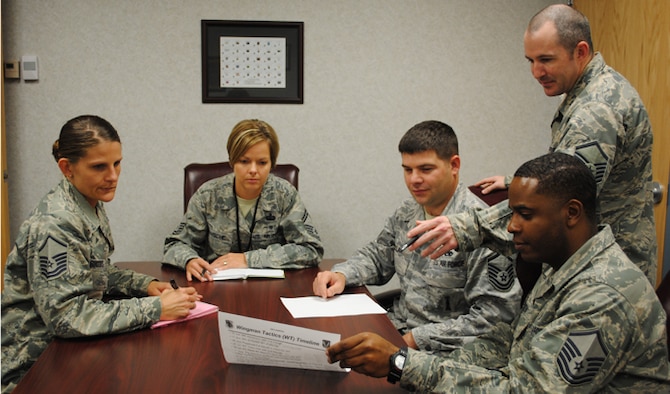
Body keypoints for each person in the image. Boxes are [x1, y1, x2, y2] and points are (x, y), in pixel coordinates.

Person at [326, 153, 670, 392]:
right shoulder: (564, 265)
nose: (512, 227)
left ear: (572, 213)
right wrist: (419, 365)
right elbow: (511, 344)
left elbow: (529, 390)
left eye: (525, 214)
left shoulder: (602, 296)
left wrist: (403, 365)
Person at [410, 4, 657, 286]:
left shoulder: (597, 110)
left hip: (608, 279)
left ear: (580, 52)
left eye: (546, 60)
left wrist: (467, 227)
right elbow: (573, 165)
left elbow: (559, 197)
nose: (537, 72)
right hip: (592, 265)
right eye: (531, 61)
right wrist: (514, 182)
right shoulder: (590, 90)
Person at [1, 115, 202, 393]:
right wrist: (156, 309)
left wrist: (146, 285)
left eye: (117, 163)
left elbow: (96, 270)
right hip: (37, 367)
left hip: (75, 350)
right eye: (99, 167)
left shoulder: (87, 201)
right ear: (67, 168)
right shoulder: (54, 225)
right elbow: (66, 317)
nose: (113, 176)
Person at [313, 120, 521, 355]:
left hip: (445, 351)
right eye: (407, 169)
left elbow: (495, 317)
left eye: (425, 169)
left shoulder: (480, 228)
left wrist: (413, 340)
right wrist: (342, 274)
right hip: (397, 329)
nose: (414, 180)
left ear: (454, 165)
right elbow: (379, 256)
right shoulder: (407, 211)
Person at [163, 119, 323, 281]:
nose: (253, 170)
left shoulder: (284, 195)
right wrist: (189, 260)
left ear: (272, 163)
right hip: (214, 285)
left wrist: (248, 259)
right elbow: (175, 245)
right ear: (232, 161)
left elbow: (310, 250)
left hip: (271, 289)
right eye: (244, 161)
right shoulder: (208, 195)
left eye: (262, 162)